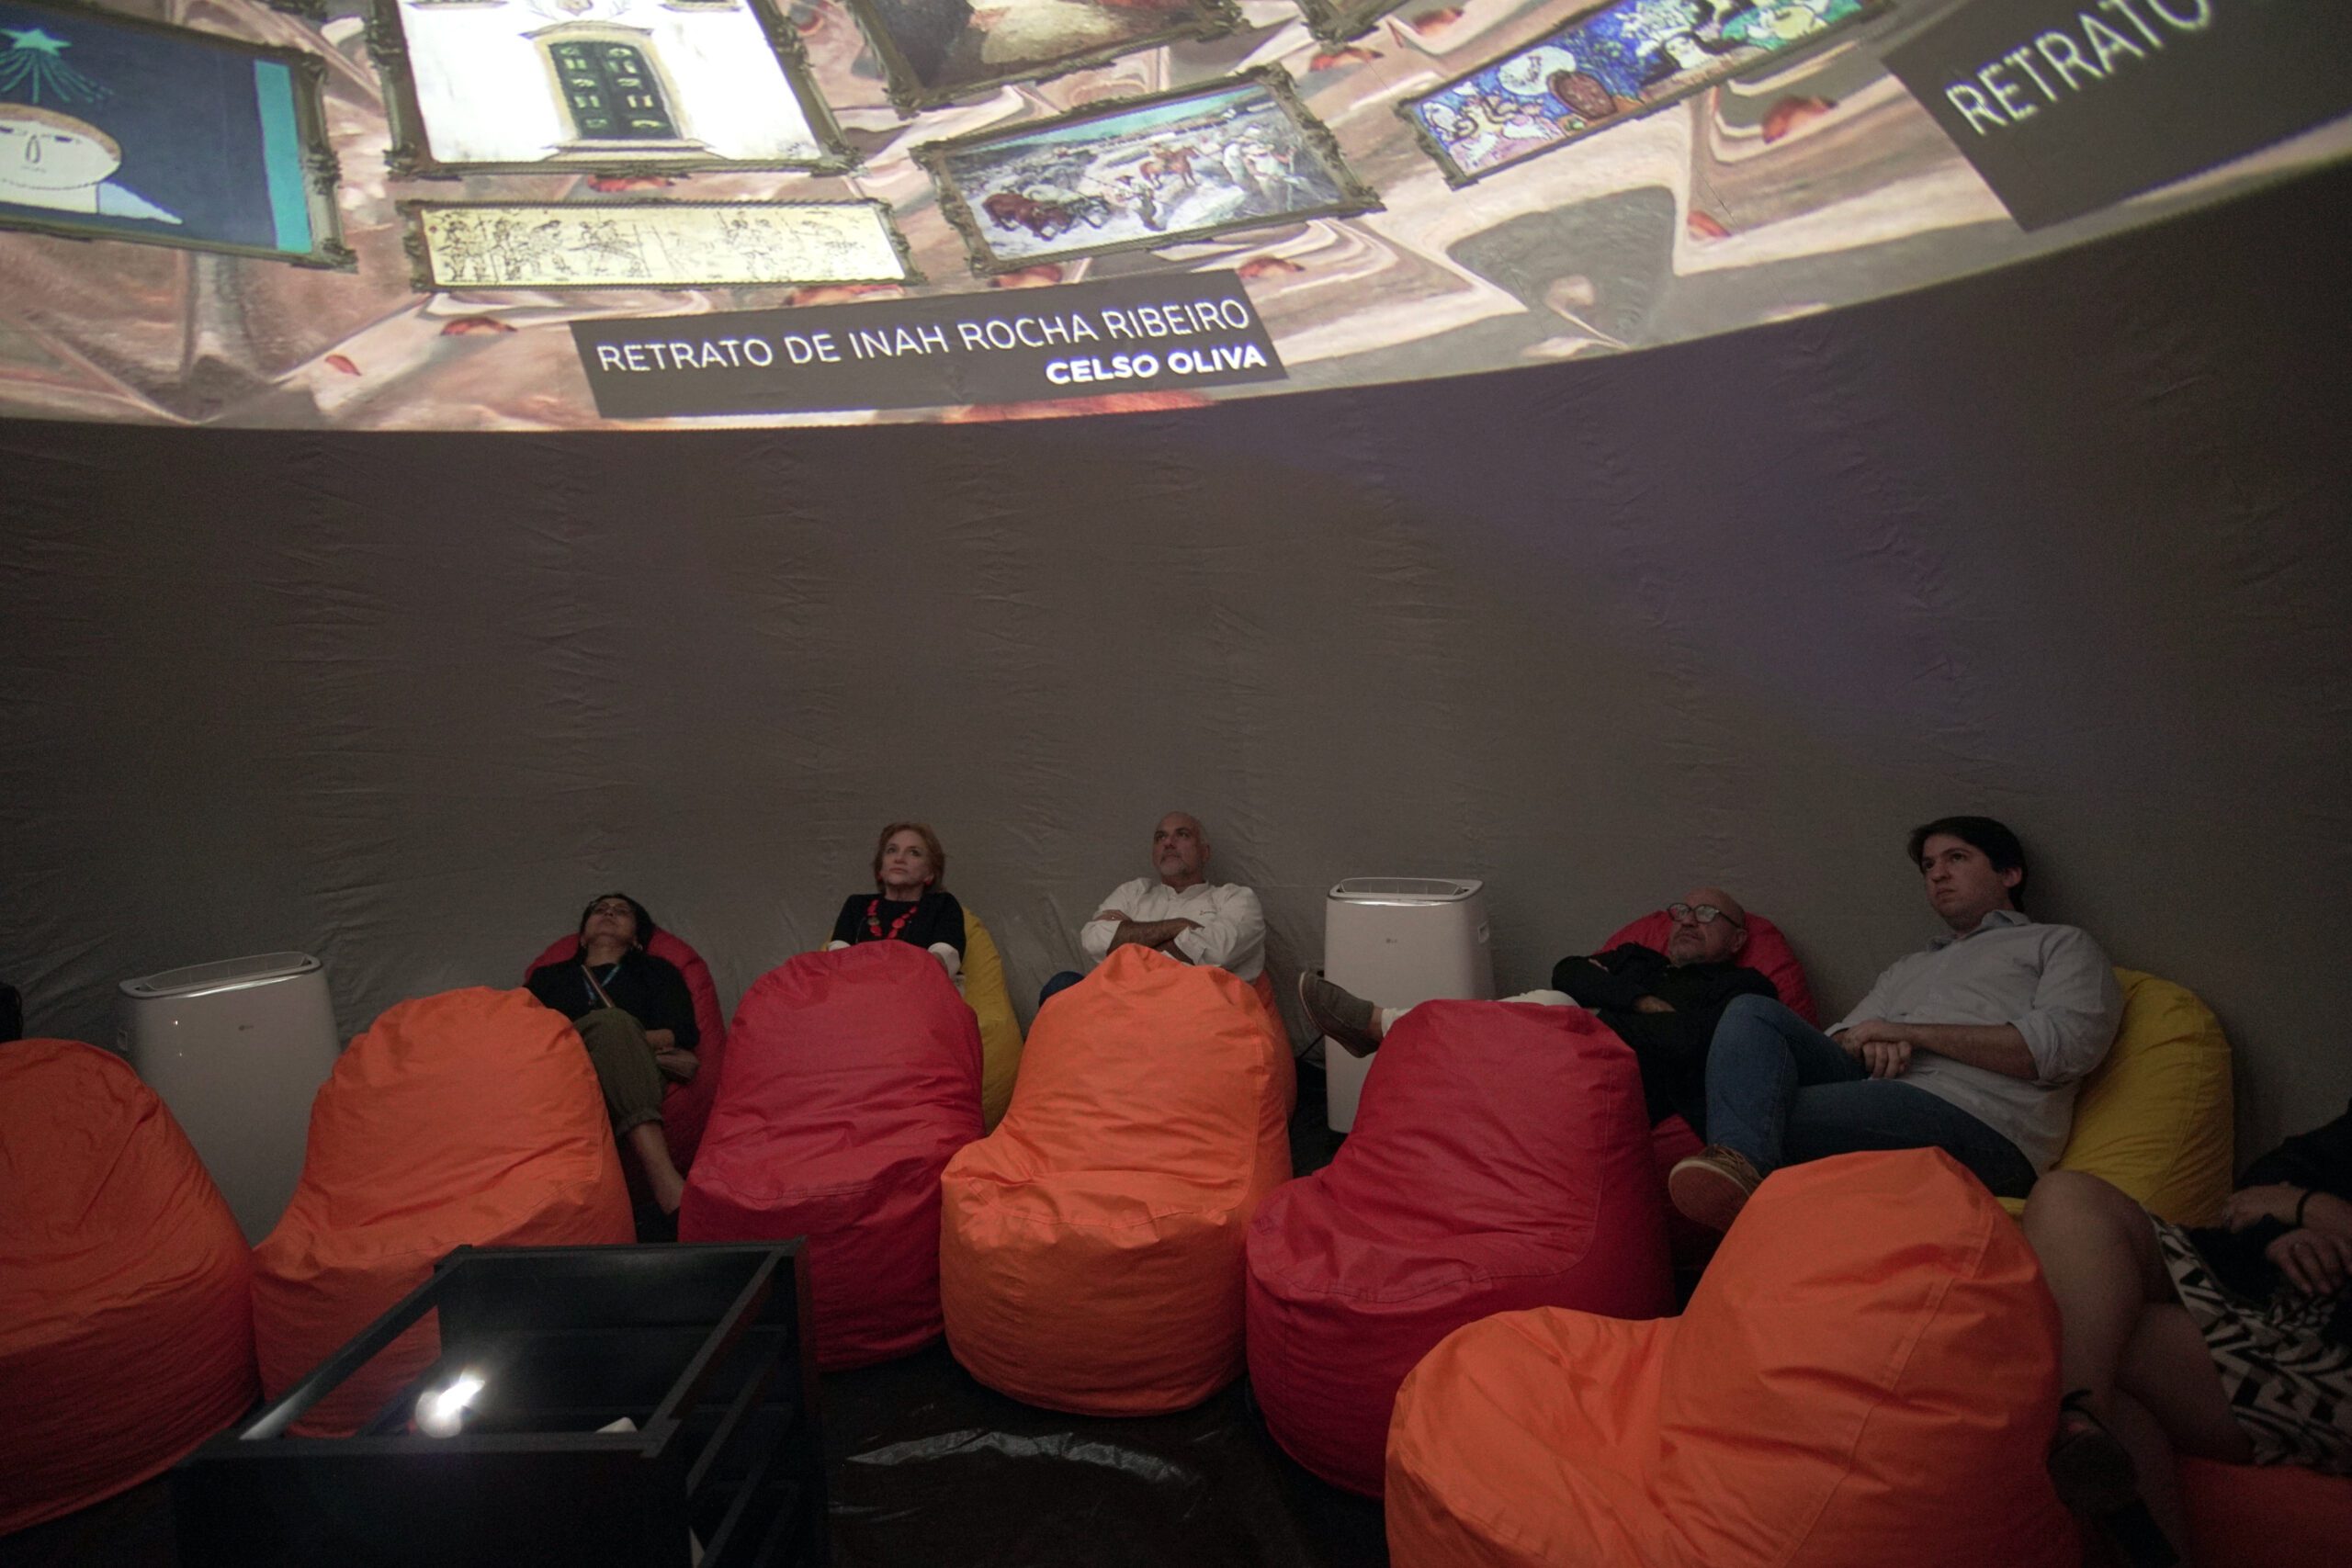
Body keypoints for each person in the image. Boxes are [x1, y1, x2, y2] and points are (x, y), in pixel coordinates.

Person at [1668, 816, 2122, 1231]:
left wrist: (1910, 1034)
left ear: (2010, 874)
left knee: (1755, 1112)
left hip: (1983, 1124)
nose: (1938, 874)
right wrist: (1866, 1040)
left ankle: (1745, 1186)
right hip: (1881, 1092)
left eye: (1956, 858)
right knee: (1751, 1012)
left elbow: (2063, 1049)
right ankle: (1741, 1167)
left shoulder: (2058, 944)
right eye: (1928, 866)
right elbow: (1841, 1037)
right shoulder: (1909, 967)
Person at [2024, 1102, 2352, 1558]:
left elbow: (2297, 1198)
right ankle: (2083, 1424)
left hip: (2327, 1344)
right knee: (2067, 1196)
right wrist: (2287, 1228)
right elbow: (2271, 1178)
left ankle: (2074, 1426)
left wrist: (2315, 1209)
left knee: (2103, 1341)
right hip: (2254, 1277)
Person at [1297, 887, 1777, 1132]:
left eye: (1707, 914)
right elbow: (1569, 971)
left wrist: (1603, 1016)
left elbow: (1690, 1040)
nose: (1689, 920)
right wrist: (1640, 1002)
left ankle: (1381, 1024)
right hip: (1562, 1049)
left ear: (1737, 939)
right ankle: (1385, 1030)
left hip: (1624, 1079)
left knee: (1548, 1007)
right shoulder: (1639, 958)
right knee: (1547, 1004)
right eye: (1682, 912)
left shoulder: (1743, 987)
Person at [524, 892, 698, 1218]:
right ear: (582, 936)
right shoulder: (548, 978)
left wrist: (619, 1038)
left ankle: (662, 1179)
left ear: (637, 938)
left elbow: (681, 1032)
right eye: (600, 909)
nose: (609, 913)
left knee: (613, 1025)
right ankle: (667, 1189)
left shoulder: (657, 973)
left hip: (637, 1066)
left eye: (622, 911)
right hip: (561, 1070)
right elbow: (524, 1033)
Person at [1038, 812, 1263, 1005]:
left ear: (1205, 852)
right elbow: (1093, 940)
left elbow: (1217, 952)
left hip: (1194, 1006)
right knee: (1062, 984)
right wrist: (1177, 927)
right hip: (1125, 1001)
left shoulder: (1235, 898)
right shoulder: (1134, 891)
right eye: (1160, 837)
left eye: (1182, 835)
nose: (1168, 843)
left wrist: (1129, 939)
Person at [824, 821, 967, 987]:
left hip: (918, 993)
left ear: (930, 873)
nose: (899, 859)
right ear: (880, 869)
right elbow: (837, 960)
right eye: (892, 850)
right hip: (856, 993)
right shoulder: (856, 905)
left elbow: (941, 961)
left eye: (914, 853)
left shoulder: (942, 904)